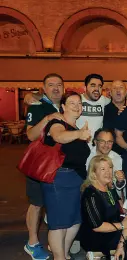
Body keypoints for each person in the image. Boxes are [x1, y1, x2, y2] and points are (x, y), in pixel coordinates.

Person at [41, 91, 91, 260]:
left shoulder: (77, 127)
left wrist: (79, 132)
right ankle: (59, 257)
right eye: (72, 103)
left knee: (75, 221)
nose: (77, 106)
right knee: (59, 223)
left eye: (79, 103)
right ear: (63, 106)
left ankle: (64, 254)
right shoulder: (57, 123)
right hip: (58, 179)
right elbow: (59, 136)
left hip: (76, 179)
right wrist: (79, 135)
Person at [24, 73, 65, 260]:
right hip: (39, 164)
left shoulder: (64, 105)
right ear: (44, 88)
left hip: (58, 164)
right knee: (37, 204)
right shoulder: (38, 107)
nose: (56, 88)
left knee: (53, 203)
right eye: (51, 85)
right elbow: (31, 135)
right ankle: (32, 243)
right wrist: (48, 118)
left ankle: (53, 238)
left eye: (59, 84)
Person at [80, 155, 127, 260]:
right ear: (94, 173)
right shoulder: (91, 194)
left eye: (110, 167)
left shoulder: (109, 188)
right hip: (96, 237)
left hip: (112, 230)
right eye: (103, 169)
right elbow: (97, 226)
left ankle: (114, 251)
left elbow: (121, 207)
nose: (108, 172)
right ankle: (99, 253)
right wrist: (122, 225)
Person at [85, 128, 126, 196]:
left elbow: (119, 187)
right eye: (102, 141)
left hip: (110, 196)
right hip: (89, 194)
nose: (106, 145)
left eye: (109, 142)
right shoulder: (87, 155)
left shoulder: (117, 158)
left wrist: (120, 180)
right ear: (95, 142)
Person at [103, 80, 127, 155]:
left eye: (121, 87)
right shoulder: (104, 110)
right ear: (110, 93)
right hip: (109, 153)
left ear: (126, 92)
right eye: (114, 88)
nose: (118, 90)